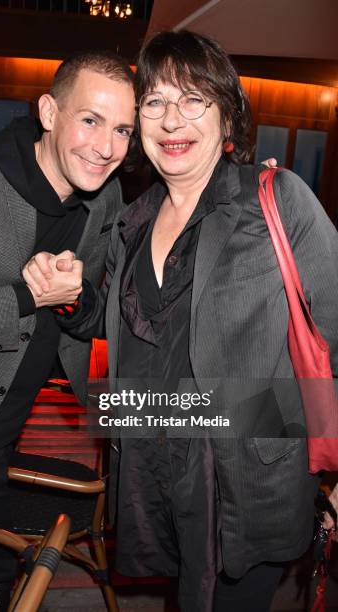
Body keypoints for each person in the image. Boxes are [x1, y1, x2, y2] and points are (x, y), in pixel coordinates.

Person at [26, 31, 338, 612]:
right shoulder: (132, 221)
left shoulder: (277, 199)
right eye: (155, 101)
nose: (173, 118)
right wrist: (69, 297)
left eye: (194, 99)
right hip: (154, 475)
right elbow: (122, 331)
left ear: (227, 117)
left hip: (245, 481)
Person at [0, 50, 135, 608]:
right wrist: (28, 297)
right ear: (49, 111)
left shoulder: (105, 199)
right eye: (90, 120)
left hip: (17, 430)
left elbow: (96, 319)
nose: (106, 148)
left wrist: (72, 300)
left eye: (122, 129)